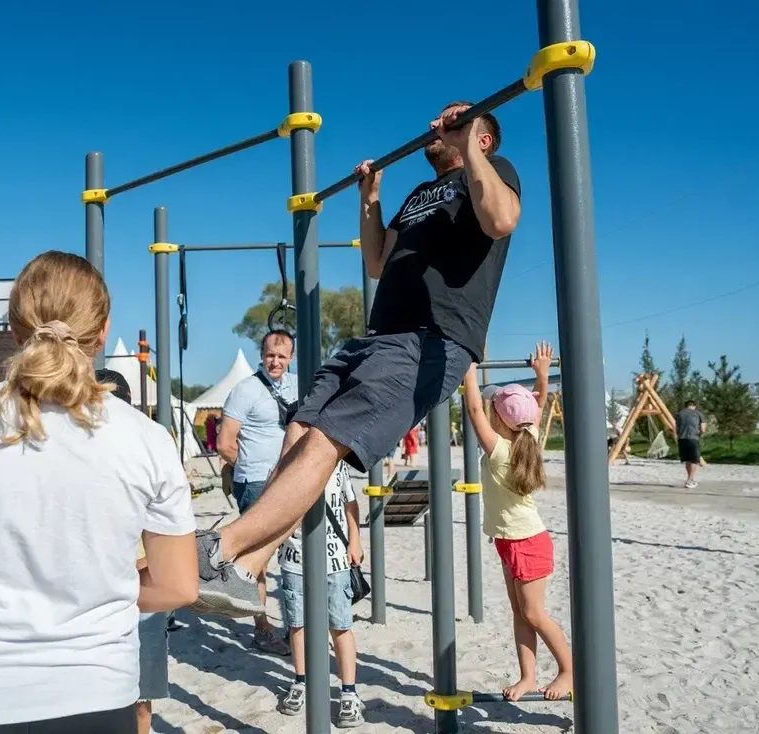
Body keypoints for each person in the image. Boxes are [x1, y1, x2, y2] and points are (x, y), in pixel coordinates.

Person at [191, 101, 522, 616]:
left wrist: (469, 138)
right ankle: (248, 567)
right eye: (437, 118)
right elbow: (375, 262)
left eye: (454, 119)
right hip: (377, 338)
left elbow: (501, 220)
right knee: (299, 428)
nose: (436, 124)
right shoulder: (419, 194)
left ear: (481, 135)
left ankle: (223, 545)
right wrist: (370, 200)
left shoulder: (495, 173)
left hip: (430, 340)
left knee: (329, 439)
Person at [0, 251, 198, 733]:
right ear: (103, 332)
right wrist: (101, 591)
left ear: (15, 328)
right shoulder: (146, 439)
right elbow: (179, 585)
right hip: (95, 693)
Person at [462, 342, 573, 701]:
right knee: (520, 613)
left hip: (527, 542)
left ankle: (570, 670)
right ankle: (528, 676)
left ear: (498, 418)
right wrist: (542, 374)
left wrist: (469, 367)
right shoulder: (528, 439)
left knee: (534, 613)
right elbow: (537, 405)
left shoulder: (499, 451)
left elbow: (475, 406)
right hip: (512, 540)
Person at [97, 367, 171, 734]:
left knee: (141, 701)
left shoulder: (145, 453)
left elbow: (168, 548)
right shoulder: (74, 459)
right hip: (105, 592)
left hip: (138, 591)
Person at [215, 329, 297, 654]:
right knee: (258, 559)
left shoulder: (295, 386)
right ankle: (262, 628)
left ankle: (296, 624)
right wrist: (246, 467)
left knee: (294, 556)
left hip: (291, 481)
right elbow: (225, 443)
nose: (275, 361)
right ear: (261, 355)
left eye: (281, 356)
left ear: (290, 357)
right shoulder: (245, 390)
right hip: (256, 484)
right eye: (270, 355)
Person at [275, 461, 365, 727]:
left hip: (335, 559)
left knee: (340, 625)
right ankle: (301, 680)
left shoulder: (335, 465)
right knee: (297, 624)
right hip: (294, 559)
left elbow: (350, 503)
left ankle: (348, 690)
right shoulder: (284, 464)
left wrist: (355, 540)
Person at [675, 400, 706, 488]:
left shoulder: (679, 414)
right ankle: (690, 480)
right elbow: (703, 429)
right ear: (694, 406)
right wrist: (700, 435)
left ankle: (689, 478)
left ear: (686, 406)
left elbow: (676, 427)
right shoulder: (698, 414)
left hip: (682, 439)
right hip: (693, 438)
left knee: (687, 460)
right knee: (694, 460)